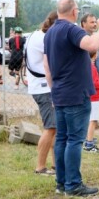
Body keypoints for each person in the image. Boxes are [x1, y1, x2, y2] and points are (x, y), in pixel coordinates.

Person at [43, 0, 99, 197]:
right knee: (74, 140)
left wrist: (54, 89)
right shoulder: (71, 29)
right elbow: (92, 45)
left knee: (62, 138)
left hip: (61, 92)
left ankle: (61, 183)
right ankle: (73, 184)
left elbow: (47, 66)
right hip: (75, 93)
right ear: (74, 12)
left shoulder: (50, 32)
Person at [26, 11, 58, 176]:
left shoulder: (36, 35)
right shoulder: (45, 39)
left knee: (55, 128)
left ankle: (56, 165)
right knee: (50, 128)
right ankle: (40, 167)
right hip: (44, 88)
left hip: (39, 86)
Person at [84, 50, 99, 152]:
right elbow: (94, 83)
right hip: (94, 97)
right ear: (95, 55)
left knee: (88, 120)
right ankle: (89, 144)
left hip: (87, 97)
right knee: (93, 121)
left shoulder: (84, 66)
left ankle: (88, 138)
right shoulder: (92, 68)